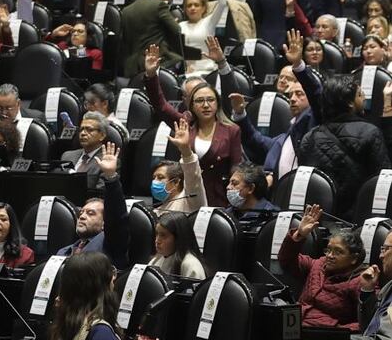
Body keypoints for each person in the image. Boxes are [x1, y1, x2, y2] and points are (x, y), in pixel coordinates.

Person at [144, 45, 242, 207]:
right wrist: (151, 75)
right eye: (199, 101)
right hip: (187, 198)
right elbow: (160, 105)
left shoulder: (231, 130)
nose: (206, 105)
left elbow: (236, 170)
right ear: (191, 106)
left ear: (217, 103)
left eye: (210, 100)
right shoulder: (185, 124)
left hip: (217, 199)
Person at [230, 30, 320, 183]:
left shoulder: (315, 126)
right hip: (275, 191)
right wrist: (240, 113)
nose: (292, 99)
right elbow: (255, 139)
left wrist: (298, 65)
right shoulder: (283, 139)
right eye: (291, 95)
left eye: (299, 94)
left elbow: (316, 94)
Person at [300, 74, 392, 215]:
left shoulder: (309, 138)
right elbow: (382, 180)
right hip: (359, 218)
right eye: (360, 94)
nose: (364, 98)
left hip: (320, 219)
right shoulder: (370, 133)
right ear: (349, 103)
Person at [279, 204, 365, 330]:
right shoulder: (317, 264)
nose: (330, 256)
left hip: (325, 335)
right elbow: (286, 260)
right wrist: (299, 235)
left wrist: (340, 332)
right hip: (294, 326)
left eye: (338, 252)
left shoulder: (361, 281)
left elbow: (368, 320)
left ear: (354, 258)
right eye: (328, 250)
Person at [57, 143, 130, 268]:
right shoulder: (63, 252)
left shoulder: (110, 244)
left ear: (104, 223)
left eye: (91, 213)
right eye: (81, 213)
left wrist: (111, 177)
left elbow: (117, 218)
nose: (82, 216)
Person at [119, 0, 181, 77]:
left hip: (133, 64)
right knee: (181, 61)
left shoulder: (126, 10)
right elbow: (177, 30)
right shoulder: (159, 5)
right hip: (158, 59)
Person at [177, 0, 230, 76]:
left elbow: (222, 4)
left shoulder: (208, 22)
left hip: (209, 72)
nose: (192, 8)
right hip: (189, 74)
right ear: (185, 9)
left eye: (196, 5)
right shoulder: (180, 26)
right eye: (189, 5)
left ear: (203, 8)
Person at [150, 119, 207, 214]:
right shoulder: (156, 211)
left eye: (160, 177)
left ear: (176, 182)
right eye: (154, 178)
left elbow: (193, 177)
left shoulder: (190, 201)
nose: (155, 182)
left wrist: (185, 150)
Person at [354, 231, 392, 340]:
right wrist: (367, 290)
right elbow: (368, 329)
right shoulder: (388, 287)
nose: (381, 256)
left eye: (385, 249)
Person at [60, 111, 110, 190]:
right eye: (81, 129)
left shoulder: (107, 161)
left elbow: (100, 192)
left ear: (102, 136)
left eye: (89, 130)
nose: (83, 133)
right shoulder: (67, 156)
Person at [149, 211, 207, 279]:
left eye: (163, 235)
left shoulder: (191, 265)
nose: (157, 241)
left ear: (178, 238)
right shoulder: (156, 260)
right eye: (157, 234)